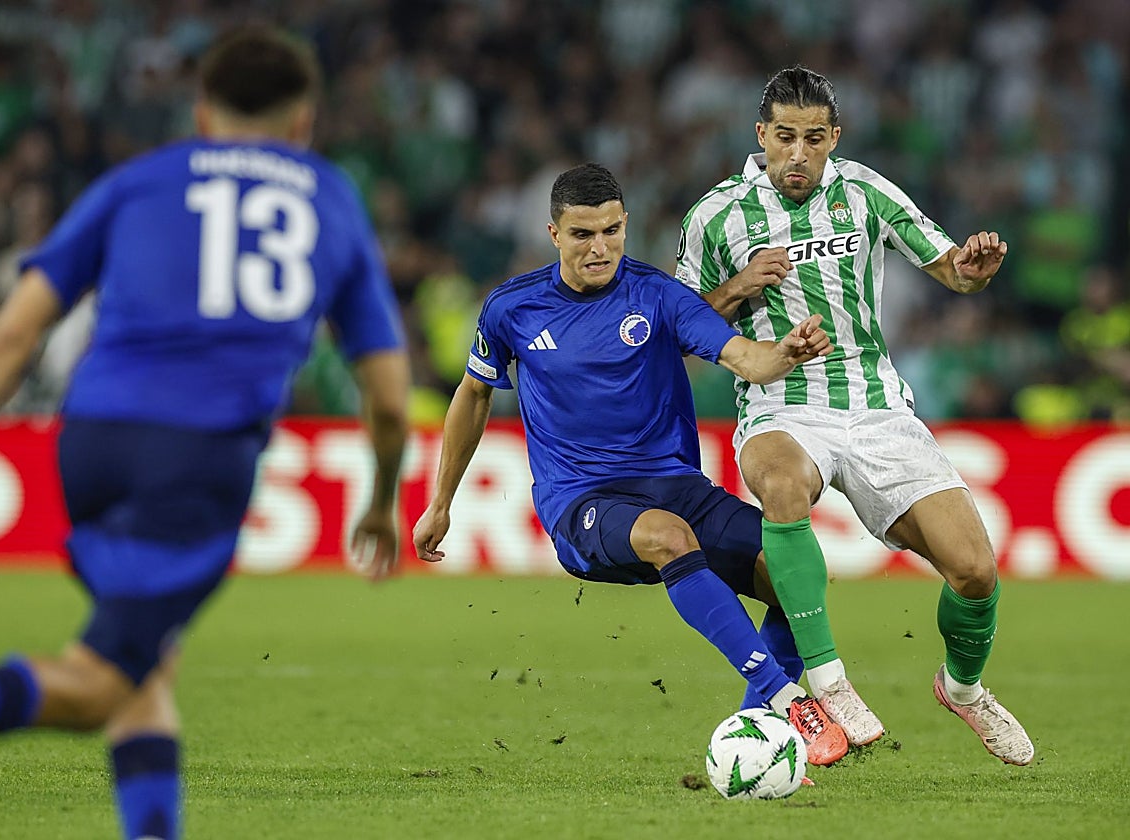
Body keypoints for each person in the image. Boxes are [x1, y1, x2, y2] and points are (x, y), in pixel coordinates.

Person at [0, 26, 409, 840]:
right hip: (196, 458)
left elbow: (16, 330)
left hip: (89, 441)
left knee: (148, 662)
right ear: (304, 120)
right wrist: (381, 502)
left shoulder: (138, 180)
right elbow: (392, 400)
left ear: (201, 113)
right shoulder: (329, 195)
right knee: (98, 687)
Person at [413, 162, 855, 767]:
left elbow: (743, 358)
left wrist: (785, 353)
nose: (601, 249)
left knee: (795, 573)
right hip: (582, 500)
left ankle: (759, 734)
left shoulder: (658, 293)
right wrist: (441, 502)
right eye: (583, 235)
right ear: (553, 234)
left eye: (612, 232)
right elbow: (473, 393)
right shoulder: (510, 309)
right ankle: (788, 700)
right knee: (670, 537)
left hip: (676, 485)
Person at [675, 66, 1033, 765]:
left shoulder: (865, 190)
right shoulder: (715, 215)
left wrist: (975, 268)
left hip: (874, 408)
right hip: (781, 402)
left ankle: (963, 689)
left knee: (976, 572)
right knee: (779, 488)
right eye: (784, 138)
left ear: (834, 136)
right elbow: (681, 323)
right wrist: (743, 285)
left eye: (814, 138)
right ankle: (829, 682)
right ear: (761, 135)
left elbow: (951, 268)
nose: (798, 154)